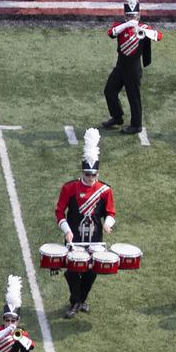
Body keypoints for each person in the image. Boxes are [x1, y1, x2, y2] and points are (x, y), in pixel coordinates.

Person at [55, 129, 114, 318]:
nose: (90, 178)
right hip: (74, 238)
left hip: (95, 238)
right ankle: (75, 302)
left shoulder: (105, 190)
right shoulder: (70, 188)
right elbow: (59, 211)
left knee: (91, 272)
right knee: (72, 271)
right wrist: (66, 230)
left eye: (93, 174)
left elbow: (110, 212)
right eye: (87, 174)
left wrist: (108, 224)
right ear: (82, 171)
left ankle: (81, 299)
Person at [102, 0, 157, 134]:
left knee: (134, 98)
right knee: (109, 91)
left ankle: (136, 125)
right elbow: (110, 33)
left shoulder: (144, 27)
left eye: (135, 16)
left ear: (139, 16)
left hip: (133, 68)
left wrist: (143, 29)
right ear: (125, 16)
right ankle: (117, 116)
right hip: (121, 66)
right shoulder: (120, 26)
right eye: (129, 16)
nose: (133, 18)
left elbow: (158, 36)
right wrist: (127, 24)